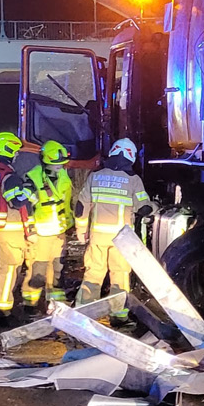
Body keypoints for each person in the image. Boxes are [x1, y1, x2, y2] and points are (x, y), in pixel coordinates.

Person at [75, 138, 152, 322]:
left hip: (98, 236)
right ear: (132, 157)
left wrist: (81, 229)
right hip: (121, 239)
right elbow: (143, 207)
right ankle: (118, 315)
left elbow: (81, 206)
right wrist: (154, 207)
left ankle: (83, 314)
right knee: (120, 274)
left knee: (93, 273)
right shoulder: (133, 179)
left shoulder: (95, 176)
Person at [0, 132, 30, 323]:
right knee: (9, 268)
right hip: (9, 228)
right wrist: (29, 190)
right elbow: (16, 202)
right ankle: (1, 311)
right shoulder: (9, 175)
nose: (16, 156)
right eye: (15, 152)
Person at [21, 139, 75, 312]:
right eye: (56, 163)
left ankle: (56, 306)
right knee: (37, 271)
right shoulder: (33, 178)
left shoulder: (64, 177)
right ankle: (30, 305)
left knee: (58, 269)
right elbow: (25, 207)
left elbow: (66, 204)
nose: (60, 165)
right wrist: (30, 231)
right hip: (40, 233)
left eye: (62, 162)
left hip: (59, 231)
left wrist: (70, 225)